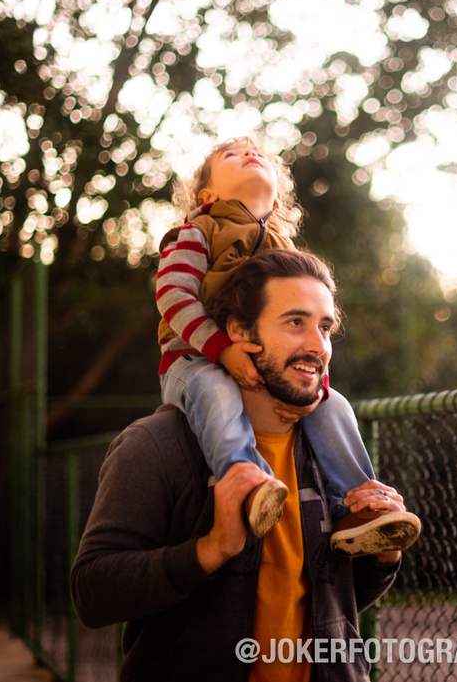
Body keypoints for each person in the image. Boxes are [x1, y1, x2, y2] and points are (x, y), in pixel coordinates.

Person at [72, 250, 410, 681]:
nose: (317, 344)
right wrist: (210, 550)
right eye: (295, 322)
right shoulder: (155, 446)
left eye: (325, 327)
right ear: (237, 331)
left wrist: (383, 555)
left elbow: (332, 603)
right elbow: (92, 593)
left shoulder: (330, 448)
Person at [155, 136, 418, 555]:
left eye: (258, 154)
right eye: (232, 155)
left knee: (335, 406)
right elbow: (172, 295)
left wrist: (315, 390)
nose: (250, 154)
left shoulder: (286, 253)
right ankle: (248, 484)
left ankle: (357, 506)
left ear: (277, 200)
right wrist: (222, 349)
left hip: (255, 357)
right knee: (216, 390)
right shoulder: (198, 231)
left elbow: (309, 333)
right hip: (191, 362)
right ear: (207, 195)